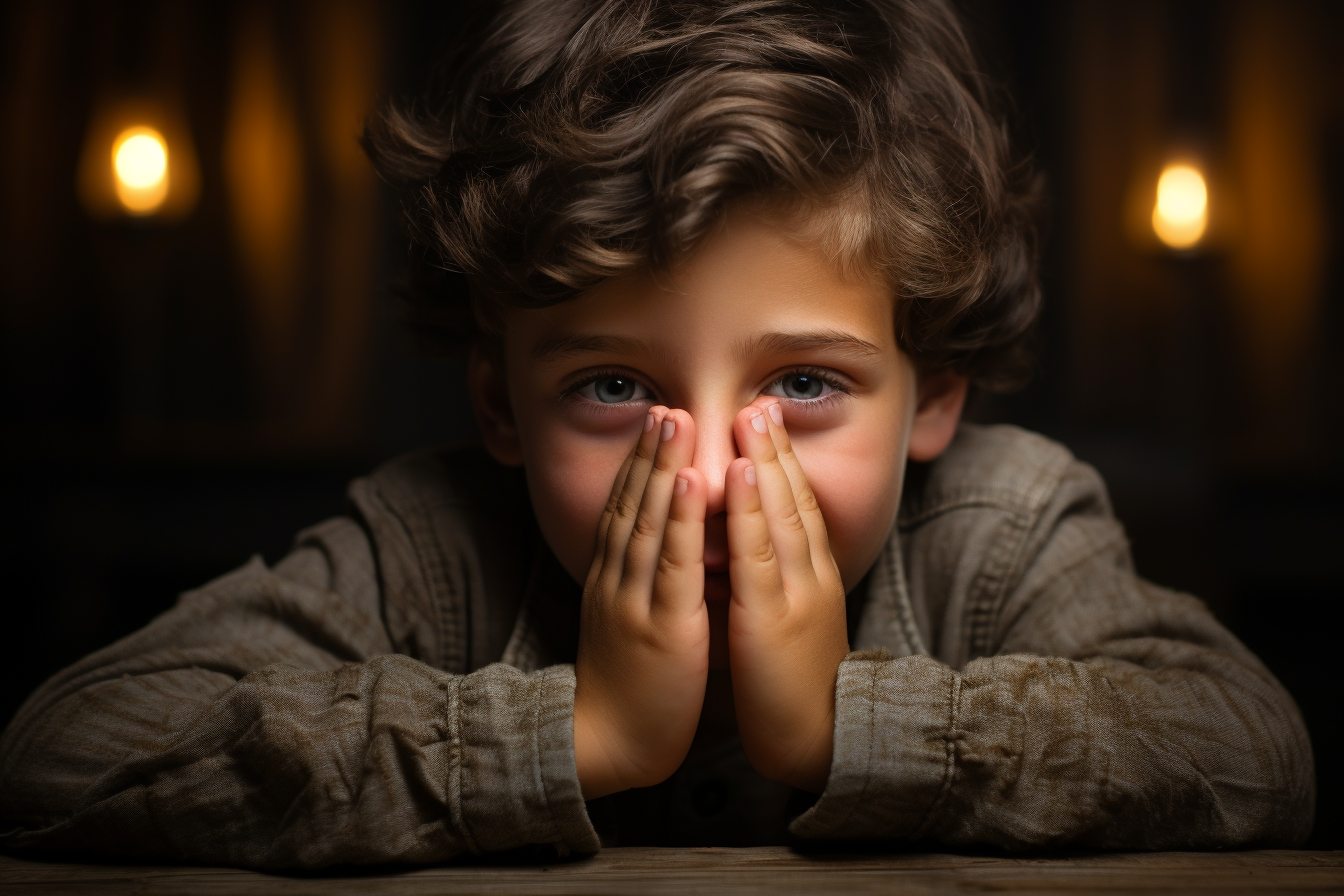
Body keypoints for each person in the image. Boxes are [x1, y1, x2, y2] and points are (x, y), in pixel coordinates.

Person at [0, 0, 1312, 869]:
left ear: (938, 390)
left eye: (805, 383)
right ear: (501, 401)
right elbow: (69, 751)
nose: (710, 472)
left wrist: (848, 727)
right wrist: (575, 735)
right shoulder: (433, 545)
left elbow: (1253, 751)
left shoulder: (1006, 525)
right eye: (616, 389)